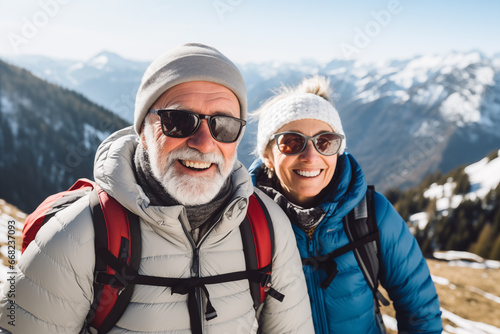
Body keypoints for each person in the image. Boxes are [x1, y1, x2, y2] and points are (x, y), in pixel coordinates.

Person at [0, 43, 314, 334]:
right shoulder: (77, 234)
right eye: (178, 120)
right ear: (144, 131)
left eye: (225, 125)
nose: (204, 144)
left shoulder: (268, 226)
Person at [249, 76, 443, 333]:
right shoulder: (245, 223)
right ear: (267, 156)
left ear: (338, 150)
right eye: (291, 142)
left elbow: (420, 310)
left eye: (325, 141)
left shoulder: (372, 214)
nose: (311, 156)